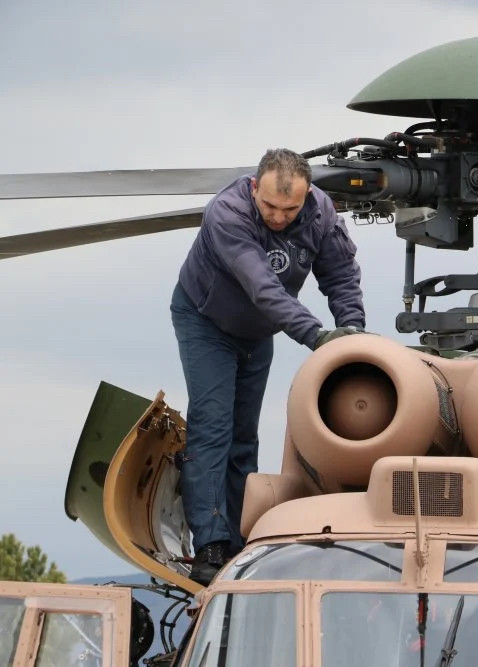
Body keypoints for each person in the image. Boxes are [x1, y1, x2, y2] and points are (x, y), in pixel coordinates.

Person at [170, 148, 366, 585]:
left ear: (307, 196)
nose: (279, 218)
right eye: (271, 207)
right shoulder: (228, 214)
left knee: (245, 433)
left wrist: (351, 329)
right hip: (207, 320)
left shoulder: (322, 215)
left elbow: (340, 274)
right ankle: (210, 545)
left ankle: (240, 539)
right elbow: (263, 288)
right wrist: (319, 338)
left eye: (290, 209)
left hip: (258, 331)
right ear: (255, 188)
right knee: (213, 423)